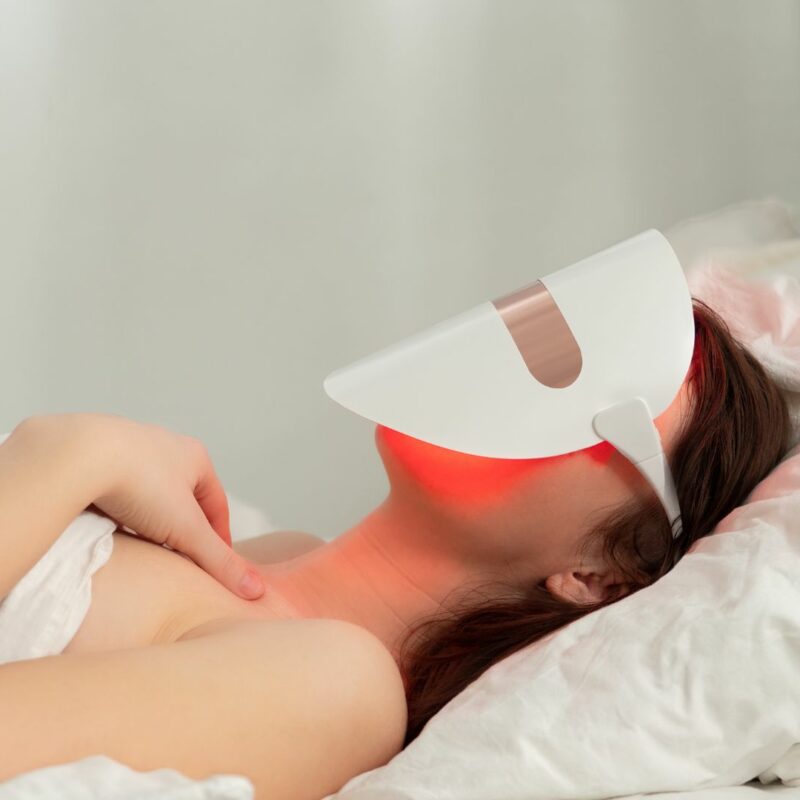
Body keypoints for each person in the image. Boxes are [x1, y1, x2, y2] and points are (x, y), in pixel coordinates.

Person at [0, 299, 790, 800]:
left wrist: (65, 456)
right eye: (549, 339)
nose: (521, 376)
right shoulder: (275, 555)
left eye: (597, 405)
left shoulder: (336, 689)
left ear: (598, 578)